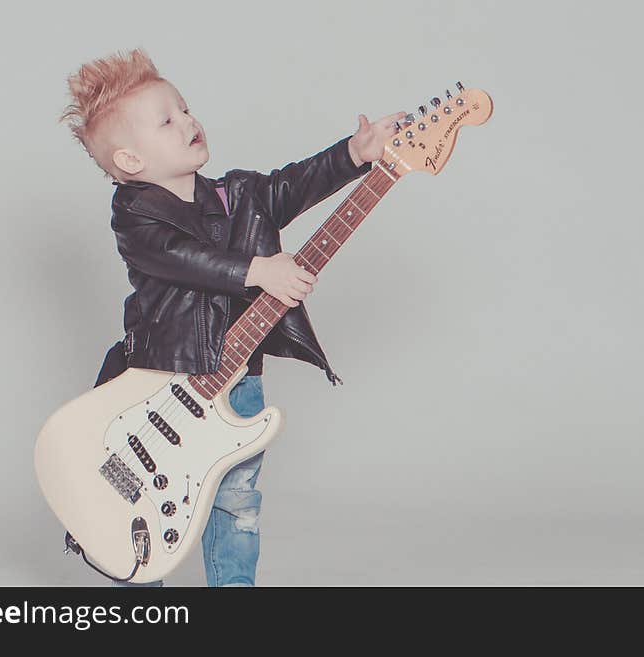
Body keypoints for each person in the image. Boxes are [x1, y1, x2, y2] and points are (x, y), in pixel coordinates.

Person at [60, 47, 403, 586]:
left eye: (186, 109)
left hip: (239, 380)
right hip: (160, 384)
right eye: (167, 121)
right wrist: (258, 270)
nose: (188, 122)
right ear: (129, 161)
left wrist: (354, 155)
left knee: (237, 502)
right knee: (149, 503)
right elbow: (175, 255)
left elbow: (293, 184)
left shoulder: (239, 194)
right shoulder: (134, 213)